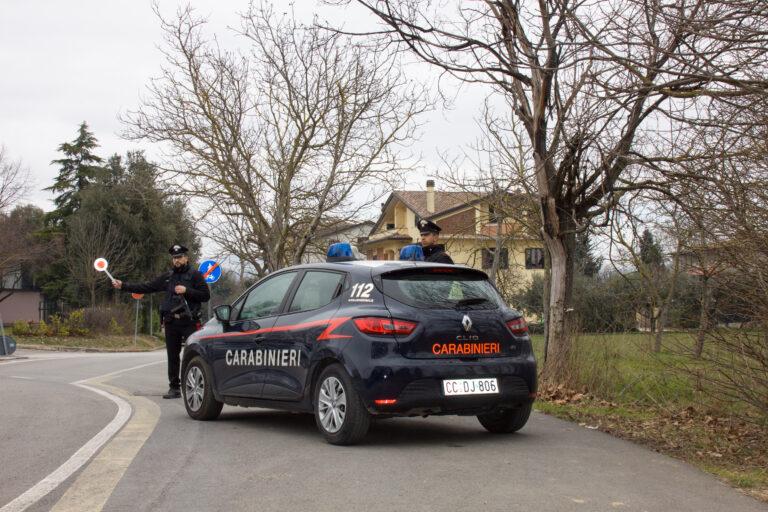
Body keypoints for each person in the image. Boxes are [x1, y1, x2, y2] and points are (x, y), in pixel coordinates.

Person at [113, 244, 210, 399]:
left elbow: (205, 296)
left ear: (186, 258)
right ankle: (174, 388)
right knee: (172, 356)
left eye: (179, 257)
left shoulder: (195, 275)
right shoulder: (168, 276)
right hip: (171, 322)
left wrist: (187, 291)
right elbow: (147, 287)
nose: (176, 260)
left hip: (189, 321)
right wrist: (123, 286)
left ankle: (194, 385)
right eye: (174, 258)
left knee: (192, 355)